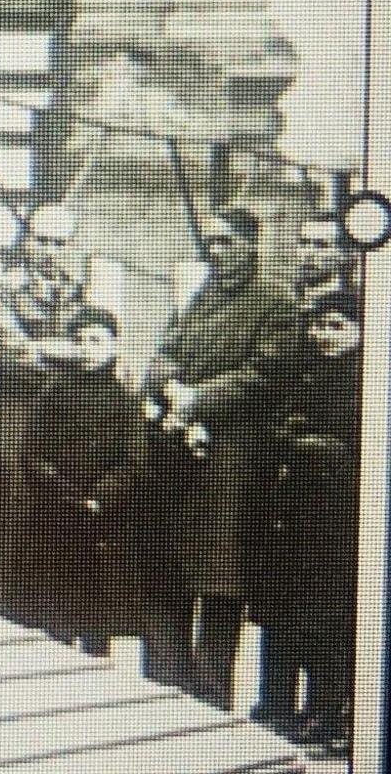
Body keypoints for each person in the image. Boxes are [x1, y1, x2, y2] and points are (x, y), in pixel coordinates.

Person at [138, 207, 295, 709]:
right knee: (169, 571)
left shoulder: (276, 303)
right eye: (211, 242)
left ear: (253, 245)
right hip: (179, 454)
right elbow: (167, 352)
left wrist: (198, 399)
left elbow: (264, 375)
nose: (217, 251)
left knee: (220, 581)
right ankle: (164, 689)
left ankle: (210, 700)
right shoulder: (201, 297)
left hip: (233, 459)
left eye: (227, 242)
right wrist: (165, 390)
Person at [0, 204, 90, 611]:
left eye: (59, 243)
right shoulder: (2, 287)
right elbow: (12, 353)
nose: (49, 250)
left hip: (62, 412)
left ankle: (48, 603)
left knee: (59, 502)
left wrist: (56, 351)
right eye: (41, 239)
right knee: (8, 501)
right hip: (15, 410)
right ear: (26, 240)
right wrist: (68, 353)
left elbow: (96, 347)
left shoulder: (77, 289)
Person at [248, 288, 362, 750]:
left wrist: (300, 443)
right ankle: (276, 706)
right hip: (287, 521)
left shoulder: (363, 380)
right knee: (281, 622)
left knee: (326, 627)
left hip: (332, 525)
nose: (324, 335)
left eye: (338, 326)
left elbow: (352, 448)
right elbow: (268, 429)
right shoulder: (299, 373)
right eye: (319, 324)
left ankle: (326, 713)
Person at [12, 307, 145, 655]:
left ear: (114, 346)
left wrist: (99, 498)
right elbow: (31, 451)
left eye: (96, 341)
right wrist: (58, 488)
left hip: (99, 525)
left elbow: (133, 462)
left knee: (94, 618)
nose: (88, 349)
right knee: (53, 616)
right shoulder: (55, 393)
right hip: (53, 517)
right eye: (81, 341)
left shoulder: (124, 401)